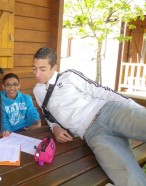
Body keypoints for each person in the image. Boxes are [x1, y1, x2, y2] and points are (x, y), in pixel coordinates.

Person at [32, 47, 146, 186]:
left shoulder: (69, 76)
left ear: (54, 67)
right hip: (93, 134)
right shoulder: (38, 91)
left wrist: (134, 108)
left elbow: (101, 91)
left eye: (42, 69)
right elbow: (47, 114)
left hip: (108, 111)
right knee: (128, 177)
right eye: (34, 68)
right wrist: (55, 128)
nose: (37, 74)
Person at [0, 73, 41, 137]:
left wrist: (37, 123)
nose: (12, 88)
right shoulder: (0, 101)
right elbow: (3, 120)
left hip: (27, 129)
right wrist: (9, 133)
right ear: (3, 86)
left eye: (15, 84)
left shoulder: (26, 98)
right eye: (8, 85)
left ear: (19, 85)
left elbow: (32, 112)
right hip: (10, 133)